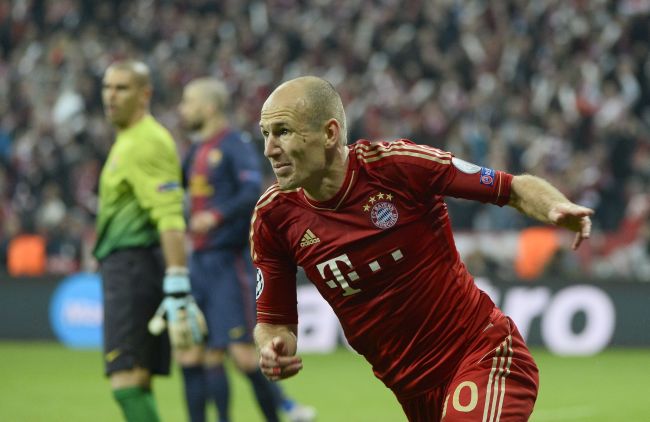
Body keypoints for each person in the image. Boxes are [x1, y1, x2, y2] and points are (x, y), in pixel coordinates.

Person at [252, 76, 594, 422]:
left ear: (329, 133)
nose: (269, 148)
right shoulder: (273, 219)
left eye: (283, 131)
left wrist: (554, 207)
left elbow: (513, 189)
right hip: (414, 395)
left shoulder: (397, 167)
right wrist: (272, 346)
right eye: (265, 134)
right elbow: (275, 322)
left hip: (483, 354)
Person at [177, 77, 316, 422]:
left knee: (242, 354)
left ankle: (281, 411)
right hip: (199, 262)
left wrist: (216, 215)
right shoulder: (196, 150)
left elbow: (252, 186)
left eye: (188, 102)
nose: (183, 109)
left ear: (209, 107)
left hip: (228, 261)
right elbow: (181, 194)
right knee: (205, 353)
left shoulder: (233, 145)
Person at [95, 60, 204, 422]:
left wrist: (177, 283)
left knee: (125, 377)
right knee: (137, 378)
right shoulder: (129, 139)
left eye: (121, 88)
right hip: (132, 267)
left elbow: (170, 216)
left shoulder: (147, 142)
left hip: (132, 268)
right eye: (107, 87)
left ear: (145, 94)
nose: (111, 96)